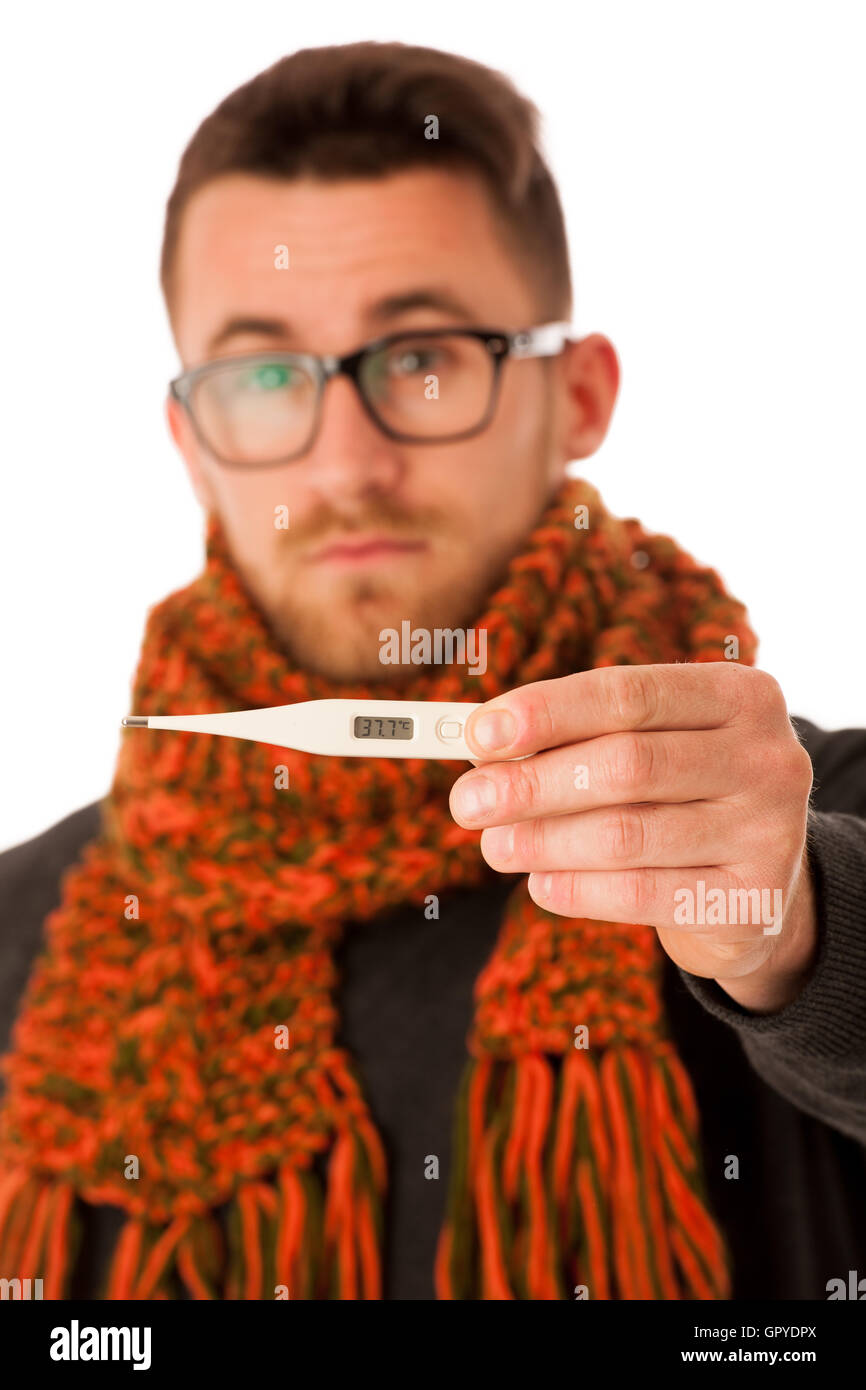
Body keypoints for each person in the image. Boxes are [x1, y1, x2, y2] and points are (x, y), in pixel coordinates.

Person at [0, 41, 864, 1303]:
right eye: (264, 374)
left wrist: (801, 935)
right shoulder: (25, 939)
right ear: (192, 440)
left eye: (422, 357)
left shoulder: (800, 829)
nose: (347, 463)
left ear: (576, 394)